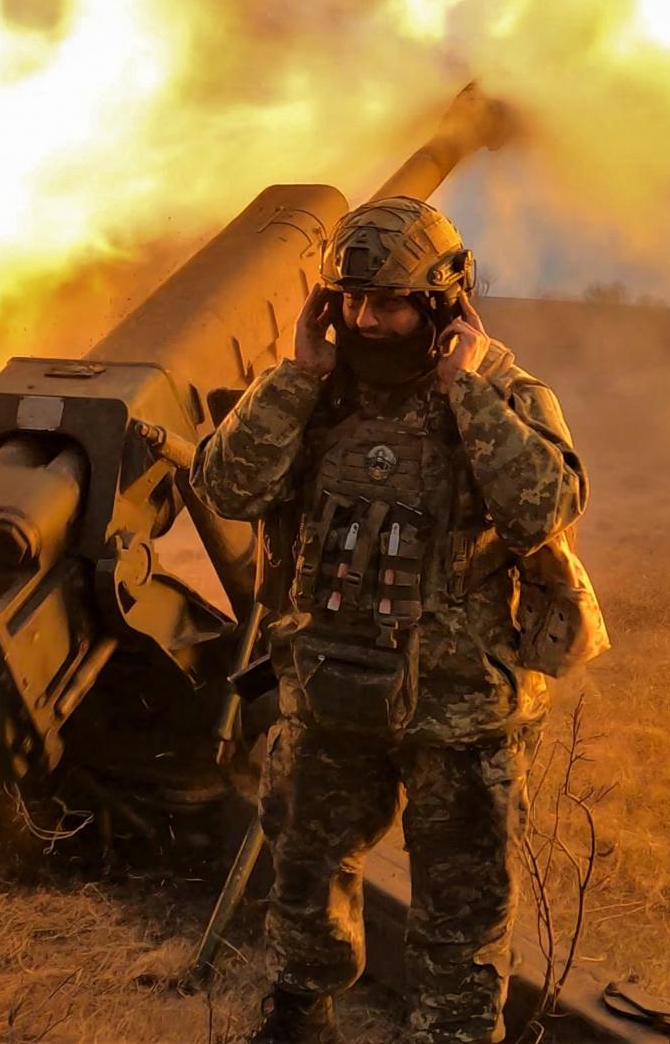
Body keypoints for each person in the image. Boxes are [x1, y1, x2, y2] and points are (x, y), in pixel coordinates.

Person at [193, 198, 591, 1044]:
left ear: (445, 302)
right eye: (351, 301)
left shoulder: (504, 393)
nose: (369, 320)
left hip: (460, 715)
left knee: (460, 912)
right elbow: (227, 487)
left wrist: (466, 389)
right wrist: (296, 375)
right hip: (329, 697)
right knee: (303, 879)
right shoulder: (311, 394)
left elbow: (544, 508)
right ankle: (302, 1020)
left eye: (392, 301)